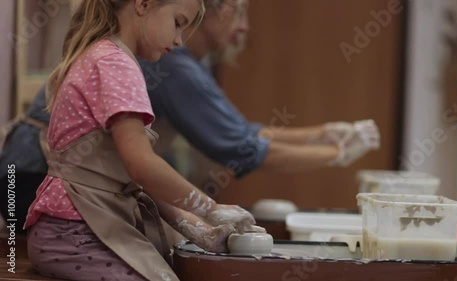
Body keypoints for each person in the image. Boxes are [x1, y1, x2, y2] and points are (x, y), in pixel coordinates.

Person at [0, 0, 380, 232]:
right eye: (239, 9)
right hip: (32, 176)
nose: (245, 27)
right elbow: (238, 147)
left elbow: (241, 133)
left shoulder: (166, 57)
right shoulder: (164, 64)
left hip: (34, 178)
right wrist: (338, 154)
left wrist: (327, 134)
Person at [21, 0, 259, 280]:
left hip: (66, 229)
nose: (178, 40)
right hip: (74, 233)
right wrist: (212, 208)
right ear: (144, 4)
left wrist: (202, 229)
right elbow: (142, 166)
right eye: (178, 23)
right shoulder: (115, 63)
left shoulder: (106, 55)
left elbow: (139, 180)